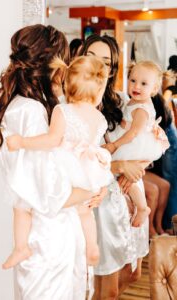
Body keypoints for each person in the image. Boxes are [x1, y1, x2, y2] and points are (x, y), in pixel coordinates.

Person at [0, 24, 106, 299]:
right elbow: (48, 193)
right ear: (53, 62)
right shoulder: (31, 111)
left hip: (51, 236)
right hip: (49, 240)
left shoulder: (36, 106)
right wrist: (90, 189)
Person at [5, 55, 113, 268]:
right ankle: (92, 247)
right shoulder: (100, 119)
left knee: (22, 203)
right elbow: (94, 147)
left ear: (67, 84)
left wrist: (21, 141)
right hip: (89, 169)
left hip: (67, 166)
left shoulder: (62, 110)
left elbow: (52, 140)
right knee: (85, 211)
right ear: (99, 92)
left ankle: (21, 247)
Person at [80, 34, 149, 300]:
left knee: (133, 274)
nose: (98, 66)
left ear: (113, 69)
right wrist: (119, 165)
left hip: (124, 193)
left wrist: (136, 167)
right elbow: (75, 161)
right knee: (103, 289)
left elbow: (146, 144)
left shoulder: (121, 101)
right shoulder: (70, 102)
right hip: (98, 203)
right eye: (92, 57)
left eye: (106, 62)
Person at [105, 61, 170, 227]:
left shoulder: (141, 108)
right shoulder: (132, 101)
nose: (136, 86)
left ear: (154, 89)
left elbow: (133, 132)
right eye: (133, 80)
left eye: (143, 83)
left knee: (128, 178)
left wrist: (113, 145)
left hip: (133, 143)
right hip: (129, 139)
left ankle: (142, 207)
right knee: (125, 176)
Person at [151, 93, 177, 232]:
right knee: (171, 181)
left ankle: (170, 226)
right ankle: (168, 226)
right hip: (168, 133)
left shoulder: (150, 95)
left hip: (167, 136)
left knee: (171, 182)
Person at [143, 170, 170, 237]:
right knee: (153, 190)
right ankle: (150, 228)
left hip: (139, 168)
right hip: (121, 170)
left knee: (165, 186)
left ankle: (159, 227)